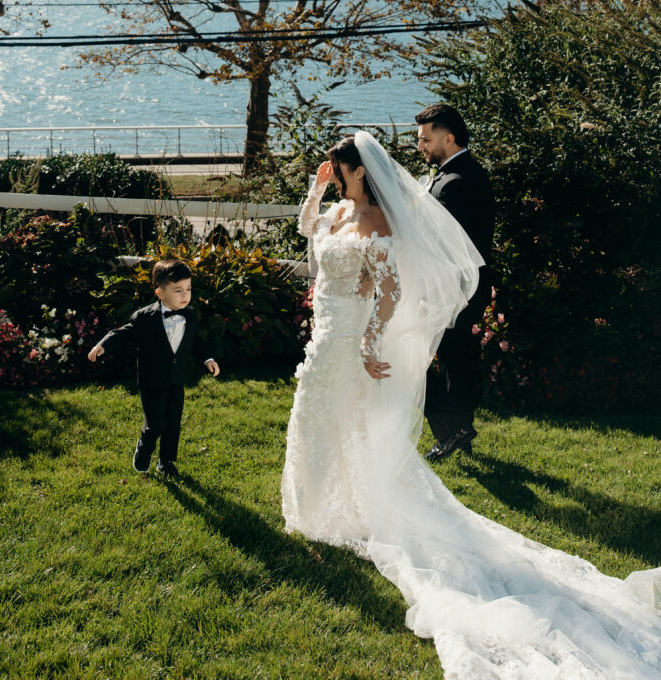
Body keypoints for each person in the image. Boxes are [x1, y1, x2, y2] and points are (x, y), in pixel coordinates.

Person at [282, 131, 660, 680]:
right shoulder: (336, 208)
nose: (333, 174)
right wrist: (316, 193)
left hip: (348, 339)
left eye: (339, 170)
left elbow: (387, 291)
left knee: (340, 421)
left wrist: (368, 343)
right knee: (317, 419)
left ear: (360, 172)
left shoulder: (380, 224)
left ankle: (332, 513)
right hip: (323, 332)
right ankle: (316, 511)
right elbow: (308, 233)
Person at [88, 257, 220, 479]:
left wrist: (207, 359)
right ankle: (144, 445)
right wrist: (103, 345)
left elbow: (195, 341)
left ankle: (166, 462)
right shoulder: (145, 317)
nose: (185, 295)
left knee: (173, 424)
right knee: (156, 423)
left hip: (176, 380)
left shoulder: (190, 315)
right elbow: (124, 332)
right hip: (152, 381)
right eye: (178, 290)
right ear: (160, 293)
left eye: (188, 289)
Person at [415, 103, 495, 461]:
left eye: (426, 139)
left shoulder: (455, 184)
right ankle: (458, 429)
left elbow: (442, 247)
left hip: (455, 289)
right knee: (453, 356)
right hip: (465, 287)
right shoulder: (462, 172)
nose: (421, 146)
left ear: (448, 138)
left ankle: (450, 429)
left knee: (411, 356)